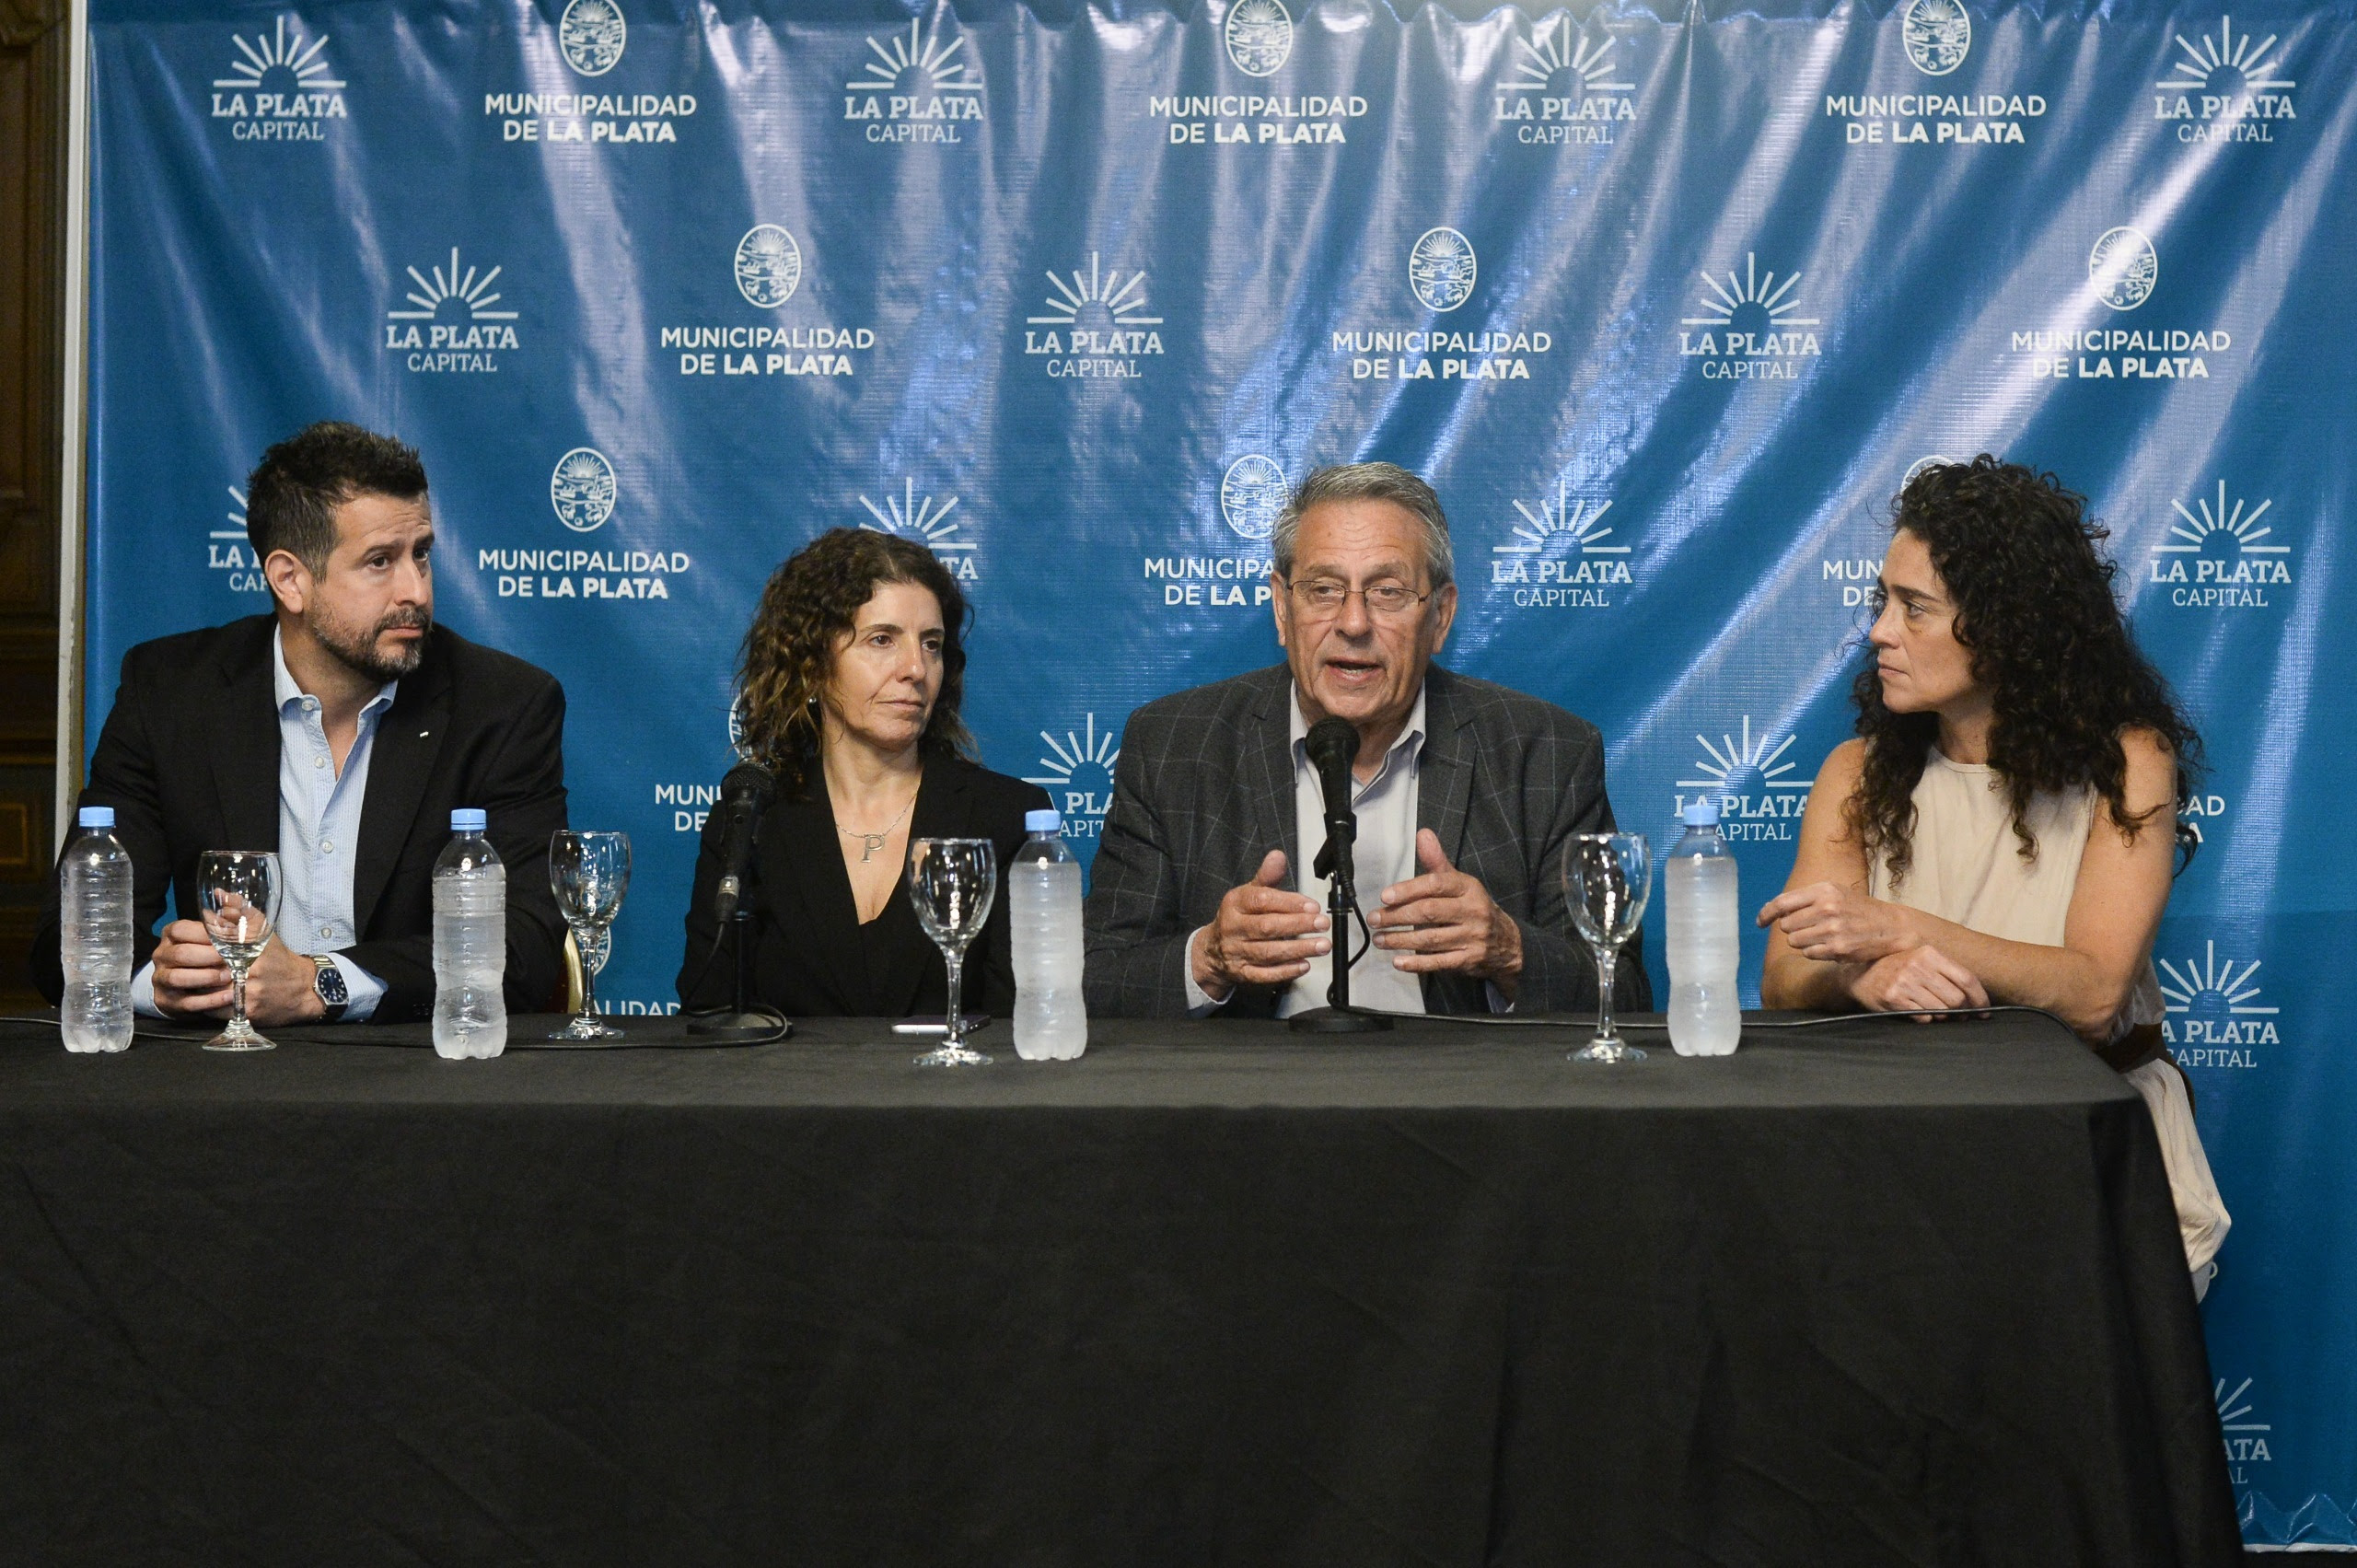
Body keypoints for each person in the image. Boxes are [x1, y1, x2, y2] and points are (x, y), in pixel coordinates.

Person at [1758, 456, 2227, 1291]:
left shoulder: (2128, 763)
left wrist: (1903, 929)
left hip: (2087, 1153)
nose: (1880, 631)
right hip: (1904, 1155)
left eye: (1915, 608)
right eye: (1883, 601)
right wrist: (1863, 979)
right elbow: (1785, 976)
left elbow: (2094, 993)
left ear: (2008, 627)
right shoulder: (1854, 772)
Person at [33, 421, 570, 1024]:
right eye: (380, 561)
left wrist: (321, 985)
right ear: (290, 580)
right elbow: (65, 943)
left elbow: (525, 952)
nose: (416, 591)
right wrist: (168, 986)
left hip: (418, 1066)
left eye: (421, 554)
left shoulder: (503, 706)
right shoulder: (170, 693)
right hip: (225, 1068)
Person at [1085, 461, 1649, 1019]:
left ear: (1441, 616)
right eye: (1323, 590)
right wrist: (1207, 958)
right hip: (1257, 1077)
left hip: (1457, 1075)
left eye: (1387, 592)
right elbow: (1095, 982)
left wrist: (1509, 951)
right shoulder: (1173, 747)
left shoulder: (1547, 753)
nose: (1353, 623)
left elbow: (1624, 995)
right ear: (1281, 607)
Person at [677, 529, 1050, 1017]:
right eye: (882, 640)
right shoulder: (753, 820)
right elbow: (708, 1014)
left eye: (932, 644)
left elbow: (1024, 1025)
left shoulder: (1007, 817)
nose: (916, 668)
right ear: (812, 663)